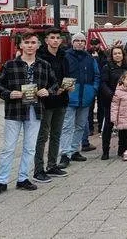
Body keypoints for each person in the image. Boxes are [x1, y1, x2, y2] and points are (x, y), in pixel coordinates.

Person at [0, 32, 58, 197]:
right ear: (20, 45)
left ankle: (23, 178)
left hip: (35, 110)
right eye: (26, 42)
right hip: (15, 110)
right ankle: (2, 181)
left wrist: (47, 91)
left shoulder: (44, 65)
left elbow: (55, 84)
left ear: (38, 45)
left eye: (33, 42)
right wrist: (9, 93)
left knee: (30, 148)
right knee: (8, 148)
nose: (30, 45)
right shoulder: (10, 64)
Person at [33, 28, 72, 184]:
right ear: (46, 40)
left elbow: (67, 76)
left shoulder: (64, 56)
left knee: (56, 134)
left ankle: (52, 165)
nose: (55, 40)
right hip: (46, 101)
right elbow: (38, 80)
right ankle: (38, 169)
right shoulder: (40, 57)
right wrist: (52, 90)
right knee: (43, 135)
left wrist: (69, 86)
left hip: (62, 100)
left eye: (57, 38)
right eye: (52, 38)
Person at [58, 33, 100, 169]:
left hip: (86, 97)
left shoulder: (90, 58)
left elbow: (97, 75)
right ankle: (65, 153)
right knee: (67, 126)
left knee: (81, 126)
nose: (80, 43)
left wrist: (93, 90)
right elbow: (60, 74)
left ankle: (75, 150)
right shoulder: (65, 56)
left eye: (82, 41)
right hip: (70, 97)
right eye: (77, 41)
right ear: (72, 42)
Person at [99, 46, 127, 160]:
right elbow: (103, 83)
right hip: (111, 100)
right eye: (115, 53)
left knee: (123, 126)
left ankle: (122, 149)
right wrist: (111, 95)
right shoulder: (107, 67)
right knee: (108, 125)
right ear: (111, 56)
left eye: (119, 53)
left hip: (124, 101)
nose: (117, 55)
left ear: (123, 55)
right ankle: (105, 151)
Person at [87, 37, 108, 138]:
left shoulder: (104, 54)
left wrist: (97, 58)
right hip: (90, 84)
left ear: (99, 44)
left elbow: (102, 68)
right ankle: (90, 129)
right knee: (89, 107)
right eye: (92, 44)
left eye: (96, 44)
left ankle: (101, 128)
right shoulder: (87, 54)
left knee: (101, 107)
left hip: (101, 84)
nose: (94, 46)